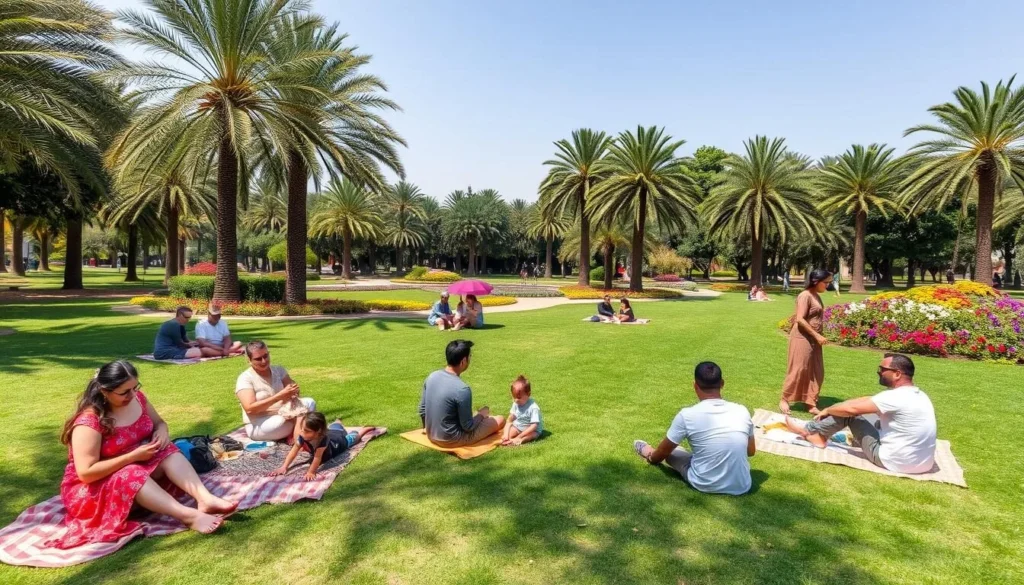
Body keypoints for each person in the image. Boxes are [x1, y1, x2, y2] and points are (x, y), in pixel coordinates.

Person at [48, 361, 237, 549]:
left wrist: (162, 433)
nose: (132, 394)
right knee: (131, 473)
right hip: (95, 489)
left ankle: (204, 499)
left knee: (166, 450)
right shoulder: (89, 422)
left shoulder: (138, 398)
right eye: (124, 392)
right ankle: (188, 516)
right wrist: (132, 457)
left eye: (135, 387)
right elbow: (86, 473)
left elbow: (159, 423)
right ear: (105, 391)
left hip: (139, 465)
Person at [785, 353, 936, 473]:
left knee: (851, 415)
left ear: (897, 374)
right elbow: (868, 400)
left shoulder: (893, 397)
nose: (879, 372)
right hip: (923, 464)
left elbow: (851, 410)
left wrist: (829, 409)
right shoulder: (918, 394)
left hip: (894, 462)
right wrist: (842, 405)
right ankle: (818, 430)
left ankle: (811, 433)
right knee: (868, 415)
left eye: (882, 369)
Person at [633, 362, 755, 495]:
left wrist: (652, 457)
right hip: (742, 485)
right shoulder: (742, 411)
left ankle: (647, 451)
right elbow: (750, 451)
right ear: (722, 383)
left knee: (674, 452)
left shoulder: (687, 415)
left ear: (695, 385)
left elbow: (662, 453)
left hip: (704, 483)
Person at [418, 340, 505, 447]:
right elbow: (468, 427)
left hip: (431, 435)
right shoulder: (462, 389)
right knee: (500, 419)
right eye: (470, 356)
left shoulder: (432, 376)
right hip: (453, 439)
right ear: (463, 361)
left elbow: (422, 410)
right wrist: (481, 415)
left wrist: (428, 429)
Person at [235, 341, 317, 442]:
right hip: (261, 423)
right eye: (258, 359)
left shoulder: (278, 370)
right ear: (249, 360)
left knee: (310, 402)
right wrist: (279, 396)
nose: (264, 361)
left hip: (286, 413)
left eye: (266, 356)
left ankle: (299, 430)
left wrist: (293, 391)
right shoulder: (245, 378)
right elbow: (250, 408)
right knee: (281, 421)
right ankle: (301, 431)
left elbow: (292, 388)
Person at [780, 269, 832, 415]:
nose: (828, 285)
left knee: (817, 371)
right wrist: (817, 336)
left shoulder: (816, 295)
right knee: (799, 369)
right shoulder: (805, 296)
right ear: (816, 281)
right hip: (802, 337)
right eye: (826, 282)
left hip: (814, 339)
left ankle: (810, 402)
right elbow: (800, 319)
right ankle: (784, 398)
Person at [269, 412, 377, 481]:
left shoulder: (323, 440)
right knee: (335, 427)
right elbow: (294, 451)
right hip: (331, 432)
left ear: (318, 432)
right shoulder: (303, 436)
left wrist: (311, 472)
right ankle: (338, 422)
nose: (302, 432)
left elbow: (317, 457)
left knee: (353, 438)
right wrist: (284, 467)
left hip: (339, 443)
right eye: (302, 429)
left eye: (306, 431)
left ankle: (362, 430)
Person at [153, 306, 221, 360]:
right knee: (204, 351)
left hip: (175, 349)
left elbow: (186, 340)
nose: (188, 320)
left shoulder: (180, 325)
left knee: (203, 346)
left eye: (190, 317)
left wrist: (195, 343)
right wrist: (191, 345)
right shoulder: (173, 325)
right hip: (165, 353)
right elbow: (180, 343)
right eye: (186, 317)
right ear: (179, 315)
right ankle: (224, 352)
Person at [501, 375, 543, 446]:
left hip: (532, 430)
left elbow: (534, 426)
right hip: (518, 427)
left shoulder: (533, 407)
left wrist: (519, 437)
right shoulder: (516, 403)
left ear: (528, 394)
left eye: (519, 397)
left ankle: (521, 440)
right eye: (514, 397)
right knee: (507, 436)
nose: (516, 400)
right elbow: (509, 420)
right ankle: (512, 440)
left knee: (531, 436)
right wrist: (506, 435)